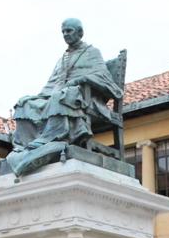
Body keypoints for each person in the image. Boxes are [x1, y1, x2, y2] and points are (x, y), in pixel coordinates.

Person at [11, 18, 122, 153]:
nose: (65, 34)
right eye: (63, 32)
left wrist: (79, 80)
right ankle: (24, 144)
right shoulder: (62, 59)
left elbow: (102, 76)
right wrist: (35, 97)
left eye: (69, 31)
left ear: (80, 32)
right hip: (58, 95)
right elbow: (52, 84)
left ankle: (51, 137)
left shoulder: (92, 52)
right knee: (24, 104)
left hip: (85, 98)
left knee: (62, 95)